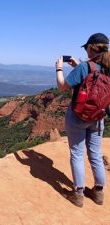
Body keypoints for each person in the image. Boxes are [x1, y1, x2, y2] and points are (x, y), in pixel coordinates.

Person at [55, 33, 110, 207]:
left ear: (91, 48)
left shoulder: (84, 68)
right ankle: (99, 193)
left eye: (86, 47)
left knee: (77, 154)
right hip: (98, 117)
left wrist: (59, 69)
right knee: (95, 154)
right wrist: (78, 65)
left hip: (78, 116)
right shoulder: (108, 67)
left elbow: (62, 87)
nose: (85, 50)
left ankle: (78, 194)